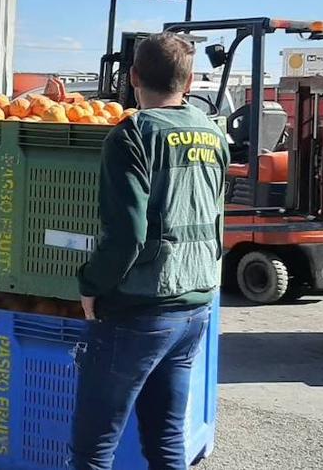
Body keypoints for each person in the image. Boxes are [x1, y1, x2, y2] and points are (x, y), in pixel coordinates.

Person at [72, 33, 227, 470]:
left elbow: (127, 234)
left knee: (93, 450)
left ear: (134, 76)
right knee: (166, 441)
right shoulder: (212, 132)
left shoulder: (133, 136)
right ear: (190, 79)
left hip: (140, 307)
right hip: (196, 305)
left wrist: (90, 285)